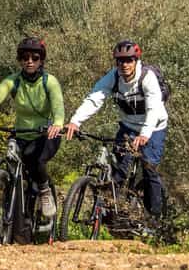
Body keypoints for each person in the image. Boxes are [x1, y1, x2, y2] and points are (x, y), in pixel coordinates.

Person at [64, 40, 168, 219]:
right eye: (120, 61)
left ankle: (154, 217)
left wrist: (144, 134)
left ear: (136, 60)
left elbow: (154, 109)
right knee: (119, 170)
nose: (124, 64)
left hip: (154, 127)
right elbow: (95, 98)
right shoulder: (113, 77)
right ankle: (112, 213)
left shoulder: (147, 77)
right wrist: (75, 122)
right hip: (128, 127)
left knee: (149, 169)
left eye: (129, 60)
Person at [0, 37, 65, 217]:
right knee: (13, 161)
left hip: (46, 134)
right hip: (21, 134)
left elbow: (58, 106)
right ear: (20, 60)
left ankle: (44, 191)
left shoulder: (49, 82)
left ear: (41, 60)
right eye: (25, 57)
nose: (29, 61)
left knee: (38, 162)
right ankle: (14, 201)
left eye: (35, 58)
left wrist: (58, 123)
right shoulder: (13, 81)